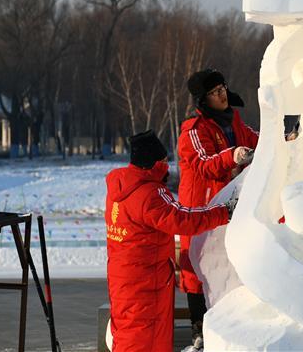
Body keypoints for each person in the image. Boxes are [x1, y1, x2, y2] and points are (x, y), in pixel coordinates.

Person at [105, 130, 235, 352]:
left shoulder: (119, 188)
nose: (167, 165)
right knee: (146, 338)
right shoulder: (150, 193)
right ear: (153, 162)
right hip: (147, 283)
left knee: (129, 334)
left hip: (123, 279)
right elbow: (182, 219)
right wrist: (224, 212)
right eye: (164, 160)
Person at [178, 69, 258, 351]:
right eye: (215, 91)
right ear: (203, 99)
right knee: (195, 268)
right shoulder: (194, 130)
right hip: (200, 207)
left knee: (228, 261)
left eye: (223, 87)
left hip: (228, 206)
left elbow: (253, 139)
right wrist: (232, 155)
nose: (222, 94)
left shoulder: (233, 119)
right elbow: (203, 163)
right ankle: (198, 331)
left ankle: (229, 324)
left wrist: (282, 137)